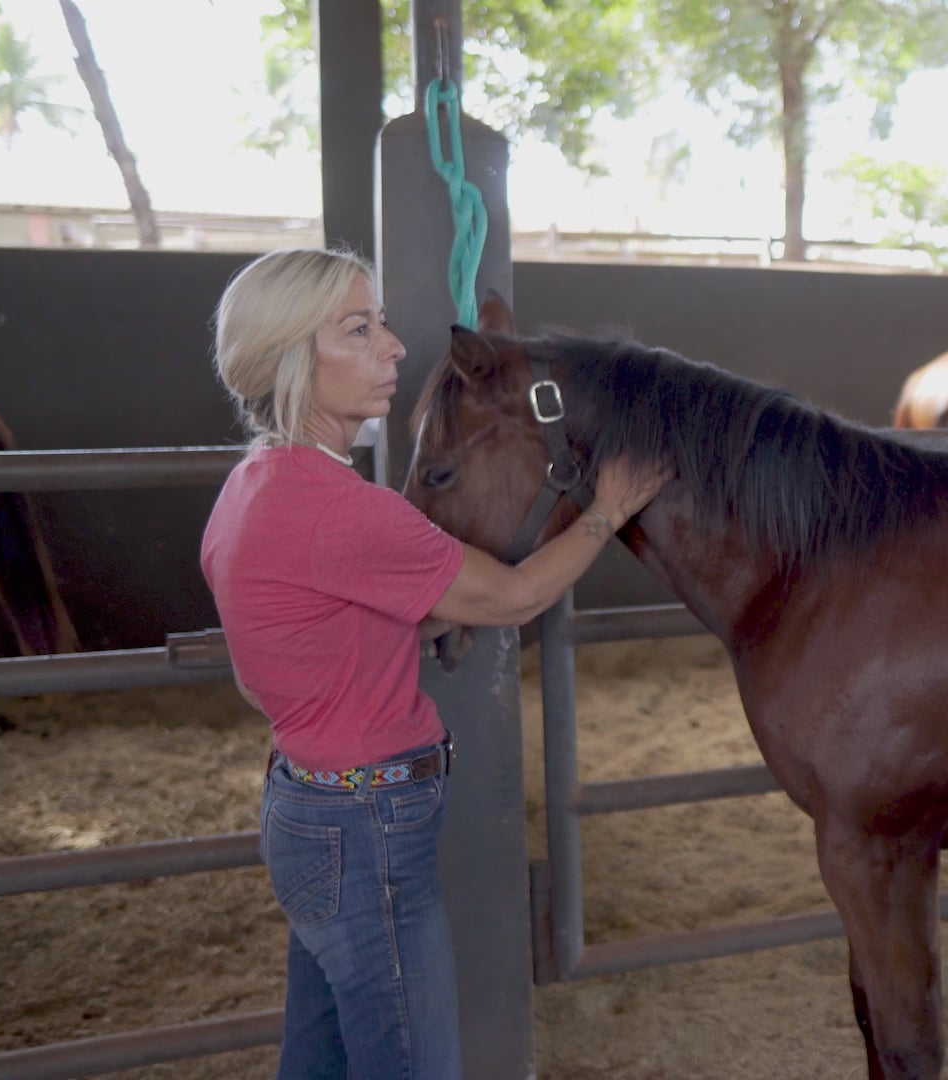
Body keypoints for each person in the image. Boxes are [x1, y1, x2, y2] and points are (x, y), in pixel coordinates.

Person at [201, 247, 667, 1080]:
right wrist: (610, 508)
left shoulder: (250, 488)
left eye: (379, 322)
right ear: (292, 358)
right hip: (368, 831)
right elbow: (516, 596)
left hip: (305, 810)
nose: (393, 346)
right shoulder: (348, 512)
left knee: (318, 1059)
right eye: (358, 330)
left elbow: (282, 657)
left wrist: (410, 627)